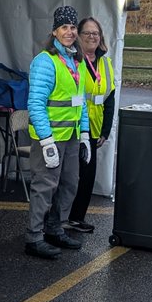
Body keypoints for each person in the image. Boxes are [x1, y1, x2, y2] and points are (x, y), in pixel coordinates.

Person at [24, 6, 91, 258]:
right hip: (50, 138)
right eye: (64, 27)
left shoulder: (77, 60)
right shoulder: (45, 61)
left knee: (68, 184)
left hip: (71, 137)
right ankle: (34, 236)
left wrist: (84, 134)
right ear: (54, 31)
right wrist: (46, 140)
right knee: (44, 187)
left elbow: (80, 100)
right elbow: (35, 104)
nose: (70, 32)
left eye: (73, 27)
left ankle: (55, 228)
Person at [57, 16, 115, 234]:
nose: (92, 37)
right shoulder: (73, 61)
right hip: (73, 126)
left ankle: (76, 217)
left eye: (96, 33)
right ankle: (59, 217)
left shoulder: (105, 63)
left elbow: (110, 97)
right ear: (78, 37)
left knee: (88, 175)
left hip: (95, 127)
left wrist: (105, 130)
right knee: (70, 175)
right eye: (87, 33)